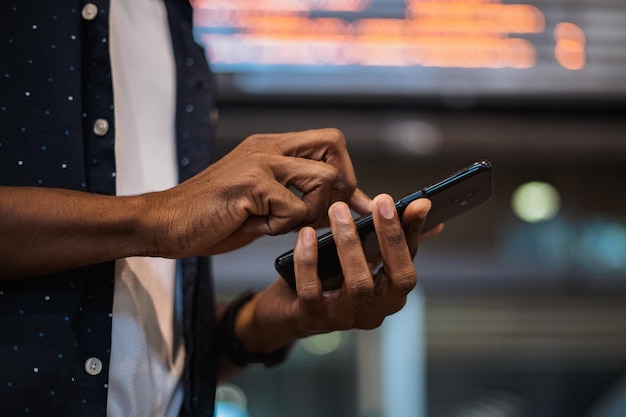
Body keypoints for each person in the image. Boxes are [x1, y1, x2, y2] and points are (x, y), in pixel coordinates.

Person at [0, 0, 441, 416]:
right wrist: (161, 216)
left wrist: (259, 326)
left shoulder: (179, 33)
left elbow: (140, 345)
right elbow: (163, 223)